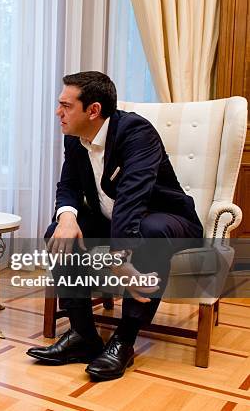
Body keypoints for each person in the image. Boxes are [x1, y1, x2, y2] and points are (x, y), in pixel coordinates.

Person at [26, 71, 203, 381]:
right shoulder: (75, 138)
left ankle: (124, 340)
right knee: (58, 233)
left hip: (167, 218)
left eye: (65, 105)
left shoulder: (136, 132)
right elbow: (67, 185)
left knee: (149, 233)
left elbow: (133, 198)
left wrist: (118, 257)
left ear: (93, 110)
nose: (58, 112)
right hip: (114, 218)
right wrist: (67, 218)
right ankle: (83, 335)